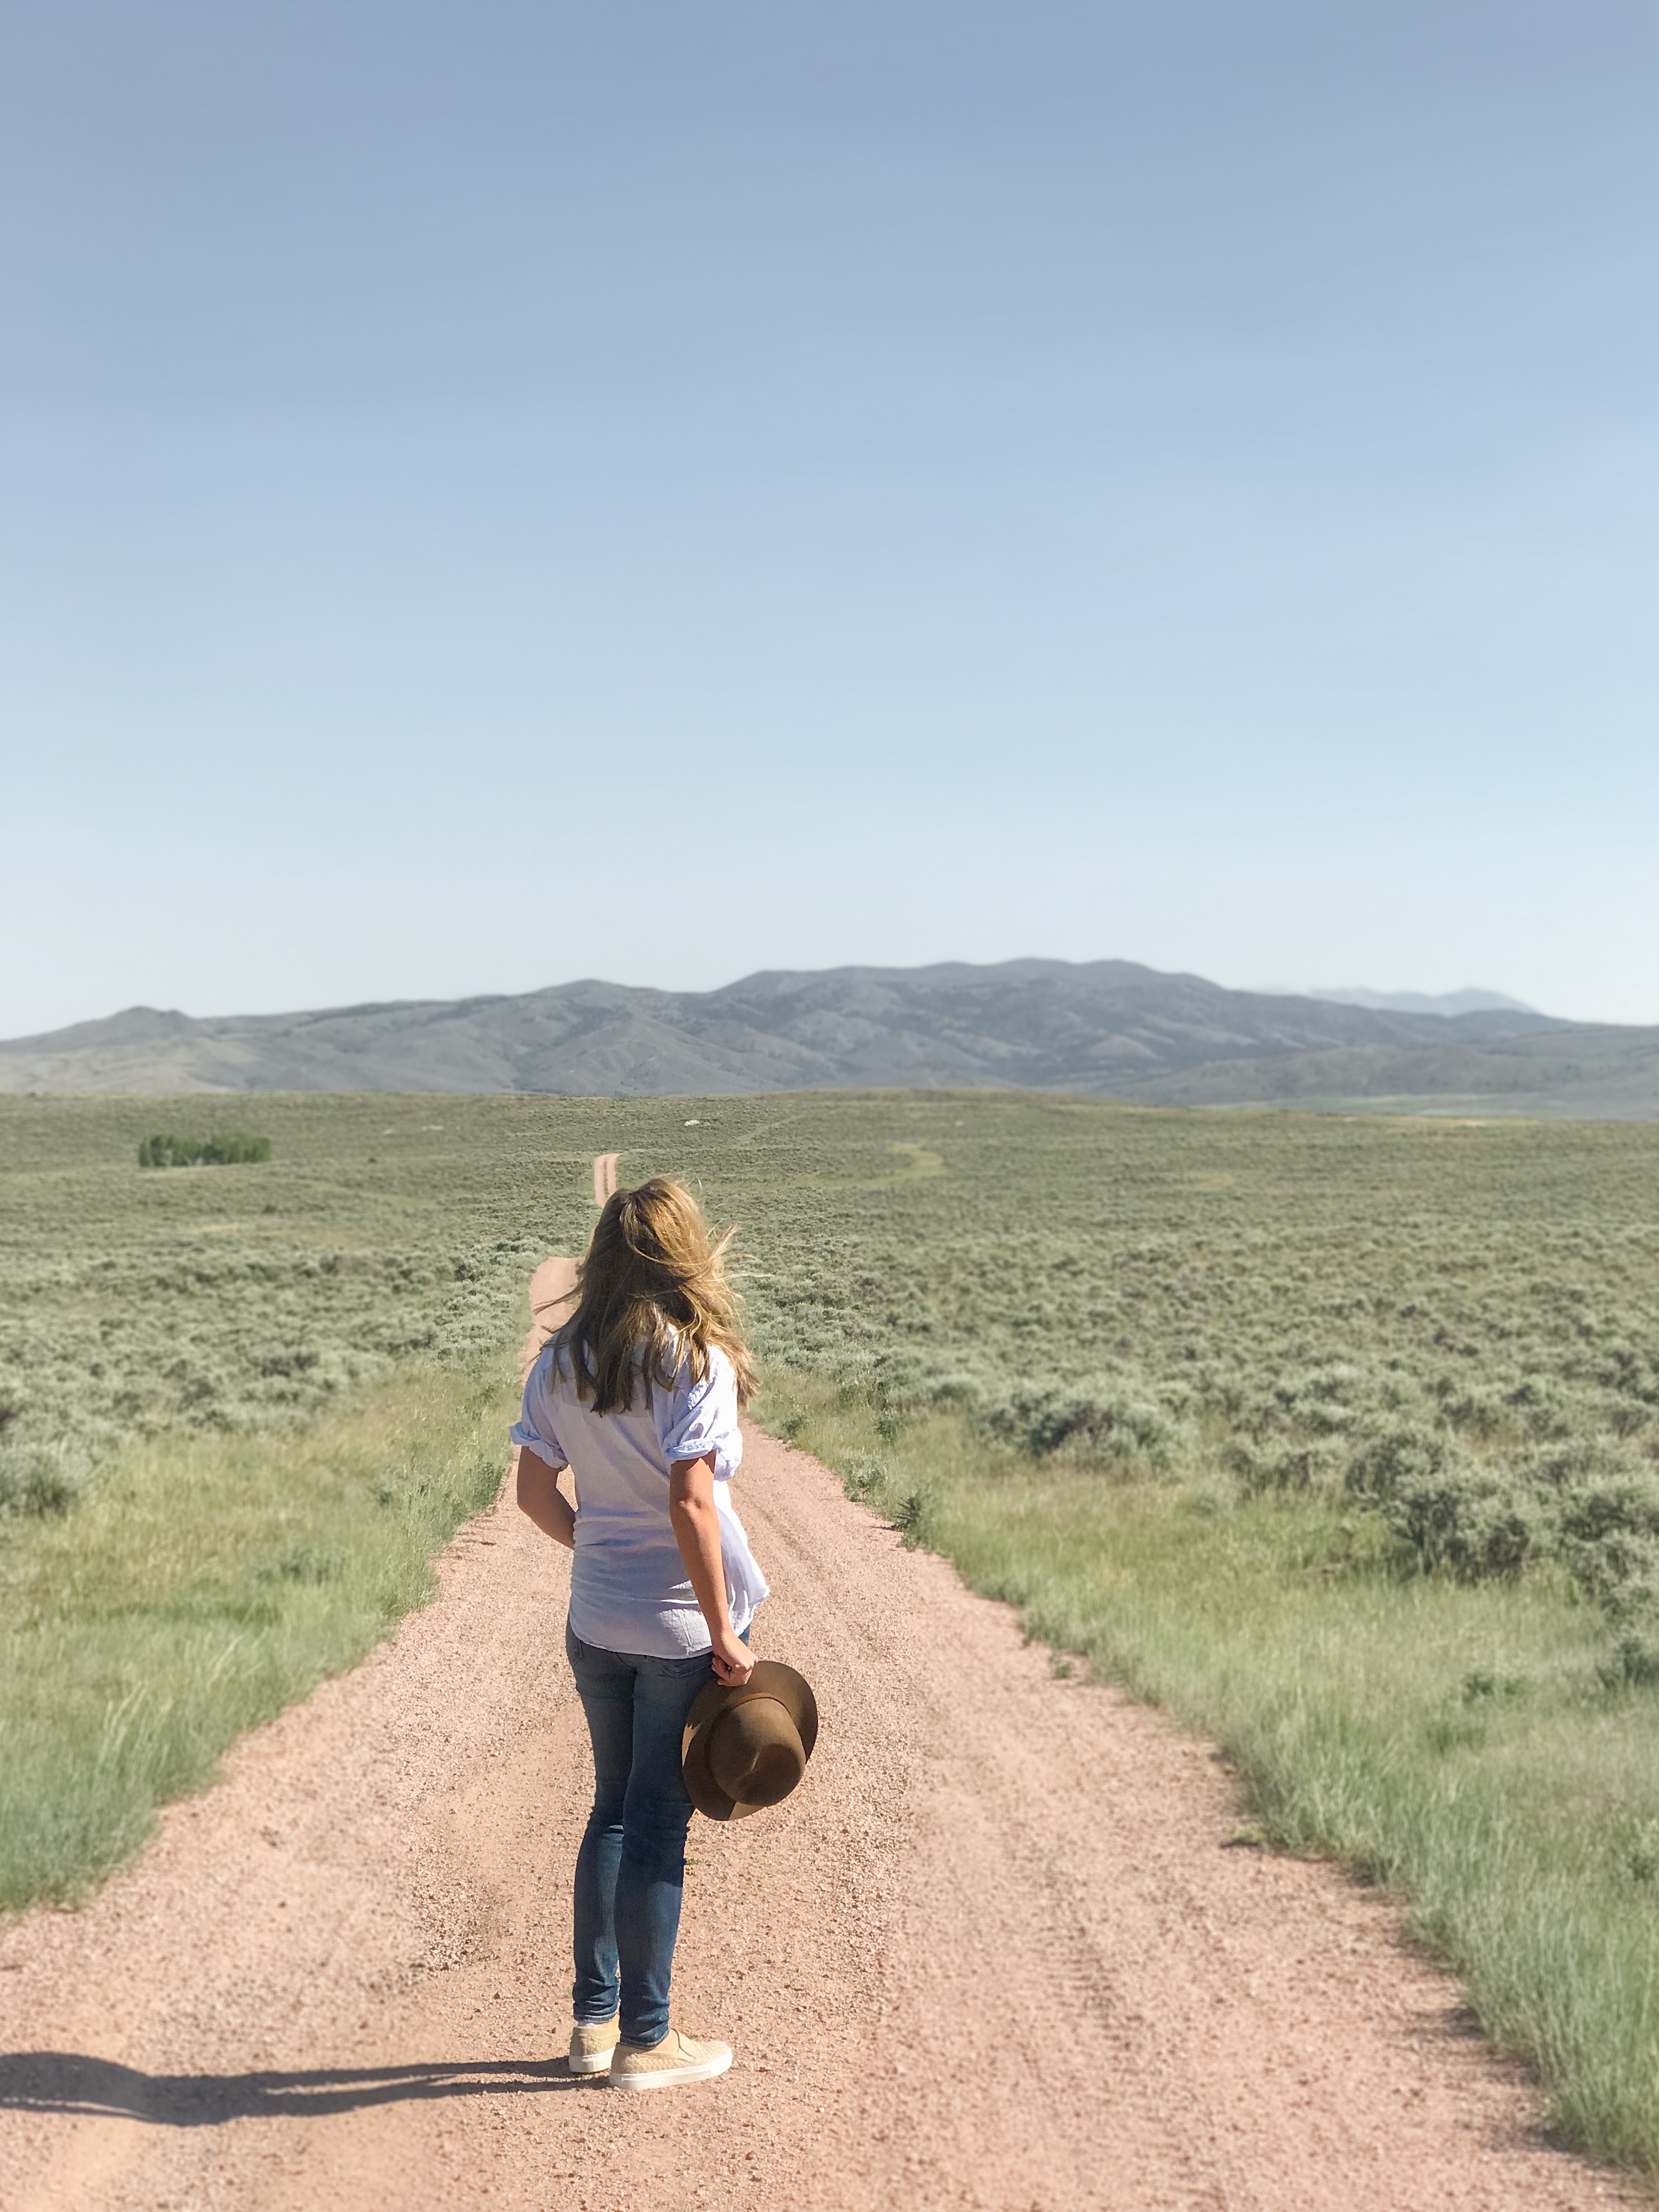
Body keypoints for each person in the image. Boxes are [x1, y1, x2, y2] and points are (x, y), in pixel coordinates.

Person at [511, 1175, 768, 2092]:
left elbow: (534, 1492)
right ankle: (648, 2041)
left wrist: (599, 1547)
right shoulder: (694, 1361)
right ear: (684, 1253)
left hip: (595, 1617)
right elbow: (693, 1502)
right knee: (660, 1824)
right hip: (671, 1630)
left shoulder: (561, 1361)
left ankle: (592, 2023)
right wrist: (721, 1632)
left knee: (611, 1807)